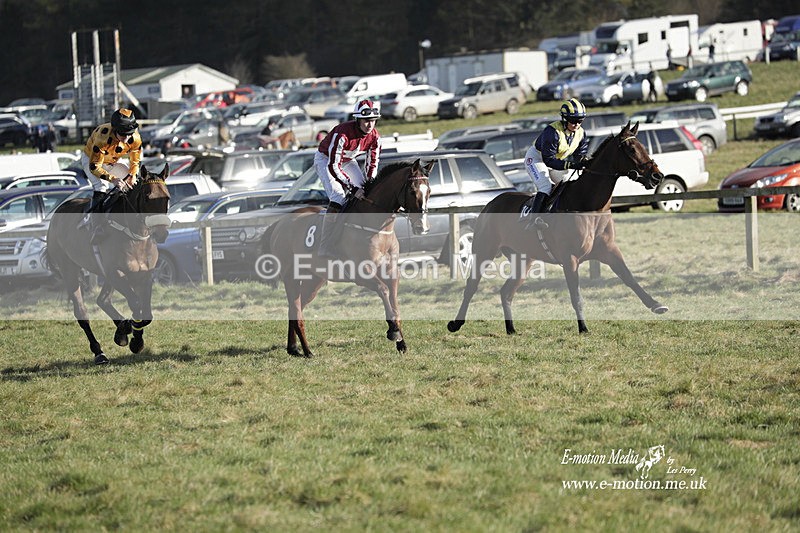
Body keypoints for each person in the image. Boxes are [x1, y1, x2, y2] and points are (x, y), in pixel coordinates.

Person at [314, 99, 381, 258]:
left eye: (372, 120)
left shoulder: (375, 137)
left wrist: (368, 184)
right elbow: (333, 165)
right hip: (326, 160)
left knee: (366, 194)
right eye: (366, 120)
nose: (370, 125)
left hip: (348, 160)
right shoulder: (342, 134)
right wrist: (353, 187)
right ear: (358, 119)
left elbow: (372, 163)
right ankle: (326, 244)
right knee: (339, 196)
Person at [519, 98, 590, 229]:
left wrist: (584, 162)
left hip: (557, 161)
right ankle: (533, 220)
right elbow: (548, 160)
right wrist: (571, 165)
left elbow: (580, 155)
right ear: (564, 119)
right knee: (546, 186)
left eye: (580, 121)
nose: (576, 124)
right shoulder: (552, 132)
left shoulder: (581, 133)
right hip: (537, 159)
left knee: (568, 185)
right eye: (573, 121)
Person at [78, 108, 143, 244]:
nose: (126, 139)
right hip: (92, 161)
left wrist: (132, 175)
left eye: (129, 134)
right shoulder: (103, 137)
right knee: (101, 186)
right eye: (123, 135)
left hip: (113, 160)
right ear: (115, 130)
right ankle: (97, 227)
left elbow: (135, 161)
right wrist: (113, 179)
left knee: (132, 184)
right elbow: (95, 167)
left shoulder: (135, 137)